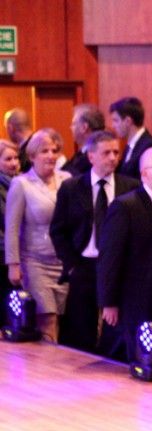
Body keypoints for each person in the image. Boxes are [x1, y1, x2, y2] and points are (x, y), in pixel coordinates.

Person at [50, 131, 140, 353]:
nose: (113, 158)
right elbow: (58, 231)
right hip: (84, 265)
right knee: (81, 329)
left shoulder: (130, 187)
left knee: (115, 328)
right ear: (91, 156)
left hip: (118, 267)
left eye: (116, 152)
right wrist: (71, 265)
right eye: (106, 153)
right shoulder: (72, 187)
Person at [98, 147, 152, 362]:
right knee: (139, 358)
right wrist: (109, 301)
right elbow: (110, 257)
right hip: (137, 298)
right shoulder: (126, 206)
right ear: (144, 174)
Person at [5, 128, 71, 342]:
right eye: (44, 151)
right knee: (47, 318)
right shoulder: (21, 183)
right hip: (34, 262)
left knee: (61, 319)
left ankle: (56, 358)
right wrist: (13, 264)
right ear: (32, 156)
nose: (51, 155)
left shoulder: (67, 179)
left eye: (54, 150)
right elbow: (12, 227)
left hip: (63, 262)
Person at [110, 97, 152, 179]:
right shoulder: (130, 145)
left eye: (116, 120)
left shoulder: (150, 145)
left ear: (128, 121)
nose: (113, 126)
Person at [0, 140, 19, 327]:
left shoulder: (20, 182)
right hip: (3, 254)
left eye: (16, 158)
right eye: (8, 159)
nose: (14, 163)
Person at [63, 104, 106, 176]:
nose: (70, 128)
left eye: (74, 124)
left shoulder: (96, 154)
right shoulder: (82, 152)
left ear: (84, 127)